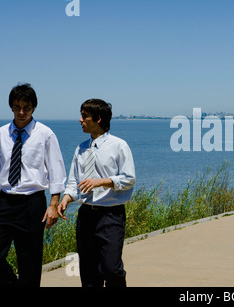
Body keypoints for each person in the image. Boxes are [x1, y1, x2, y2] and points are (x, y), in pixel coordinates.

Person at [58, 99, 135, 287]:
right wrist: (66, 199)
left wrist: (101, 181)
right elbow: (74, 182)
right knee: (88, 271)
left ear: (98, 119)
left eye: (84, 116)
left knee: (111, 269)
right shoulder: (81, 148)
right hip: (86, 215)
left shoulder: (119, 146)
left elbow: (129, 179)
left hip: (110, 215)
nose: (80, 120)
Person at [0, 83, 66, 287]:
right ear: (11, 106)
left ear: (33, 108)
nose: (21, 112)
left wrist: (54, 204)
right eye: (17, 107)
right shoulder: (1, 134)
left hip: (32, 204)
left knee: (30, 261)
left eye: (26, 108)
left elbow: (56, 171)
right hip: (3, 201)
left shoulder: (45, 134)